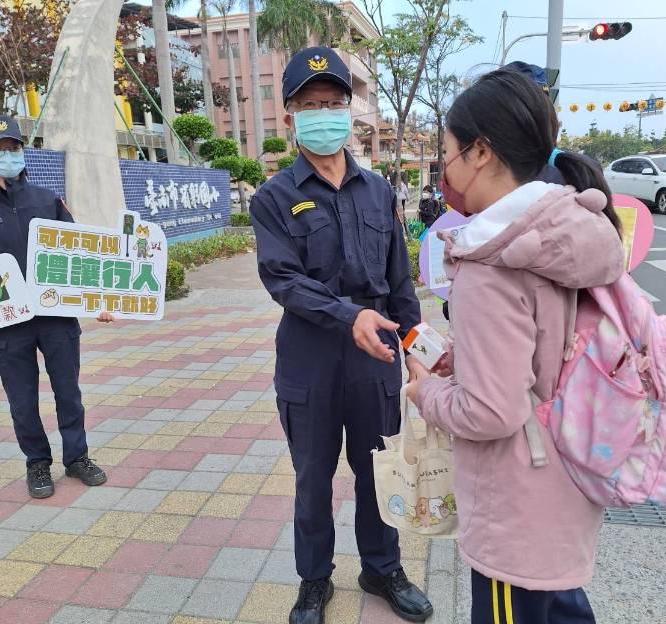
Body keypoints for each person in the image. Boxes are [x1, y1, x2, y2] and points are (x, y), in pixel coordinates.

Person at [406, 68, 624, 623]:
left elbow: (490, 410)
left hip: (515, 508)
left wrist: (427, 391)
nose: (447, 169)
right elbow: (541, 356)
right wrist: (471, 359)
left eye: (449, 152)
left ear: (480, 152)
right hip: (567, 480)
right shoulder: (570, 228)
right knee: (562, 610)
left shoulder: (488, 264)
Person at [250, 46, 433, 624]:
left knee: (379, 467)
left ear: (350, 111)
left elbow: (399, 280)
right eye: (311, 105)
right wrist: (344, 315)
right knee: (312, 476)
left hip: (376, 354)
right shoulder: (274, 197)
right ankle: (313, 580)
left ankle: (382, 567)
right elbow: (282, 280)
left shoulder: (379, 190)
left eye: (333, 103)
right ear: (290, 117)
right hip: (310, 357)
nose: (324, 113)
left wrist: (418, 352)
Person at [0, 114, 111, 499]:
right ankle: (37, 462)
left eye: (12, 147)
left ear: (22, 151)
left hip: (57, 316)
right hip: (7, 322)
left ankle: (77, 457)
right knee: (22, 398)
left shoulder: (47, 200)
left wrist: (101, 300)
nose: (6, 155)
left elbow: (78, 256)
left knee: (68, 391)